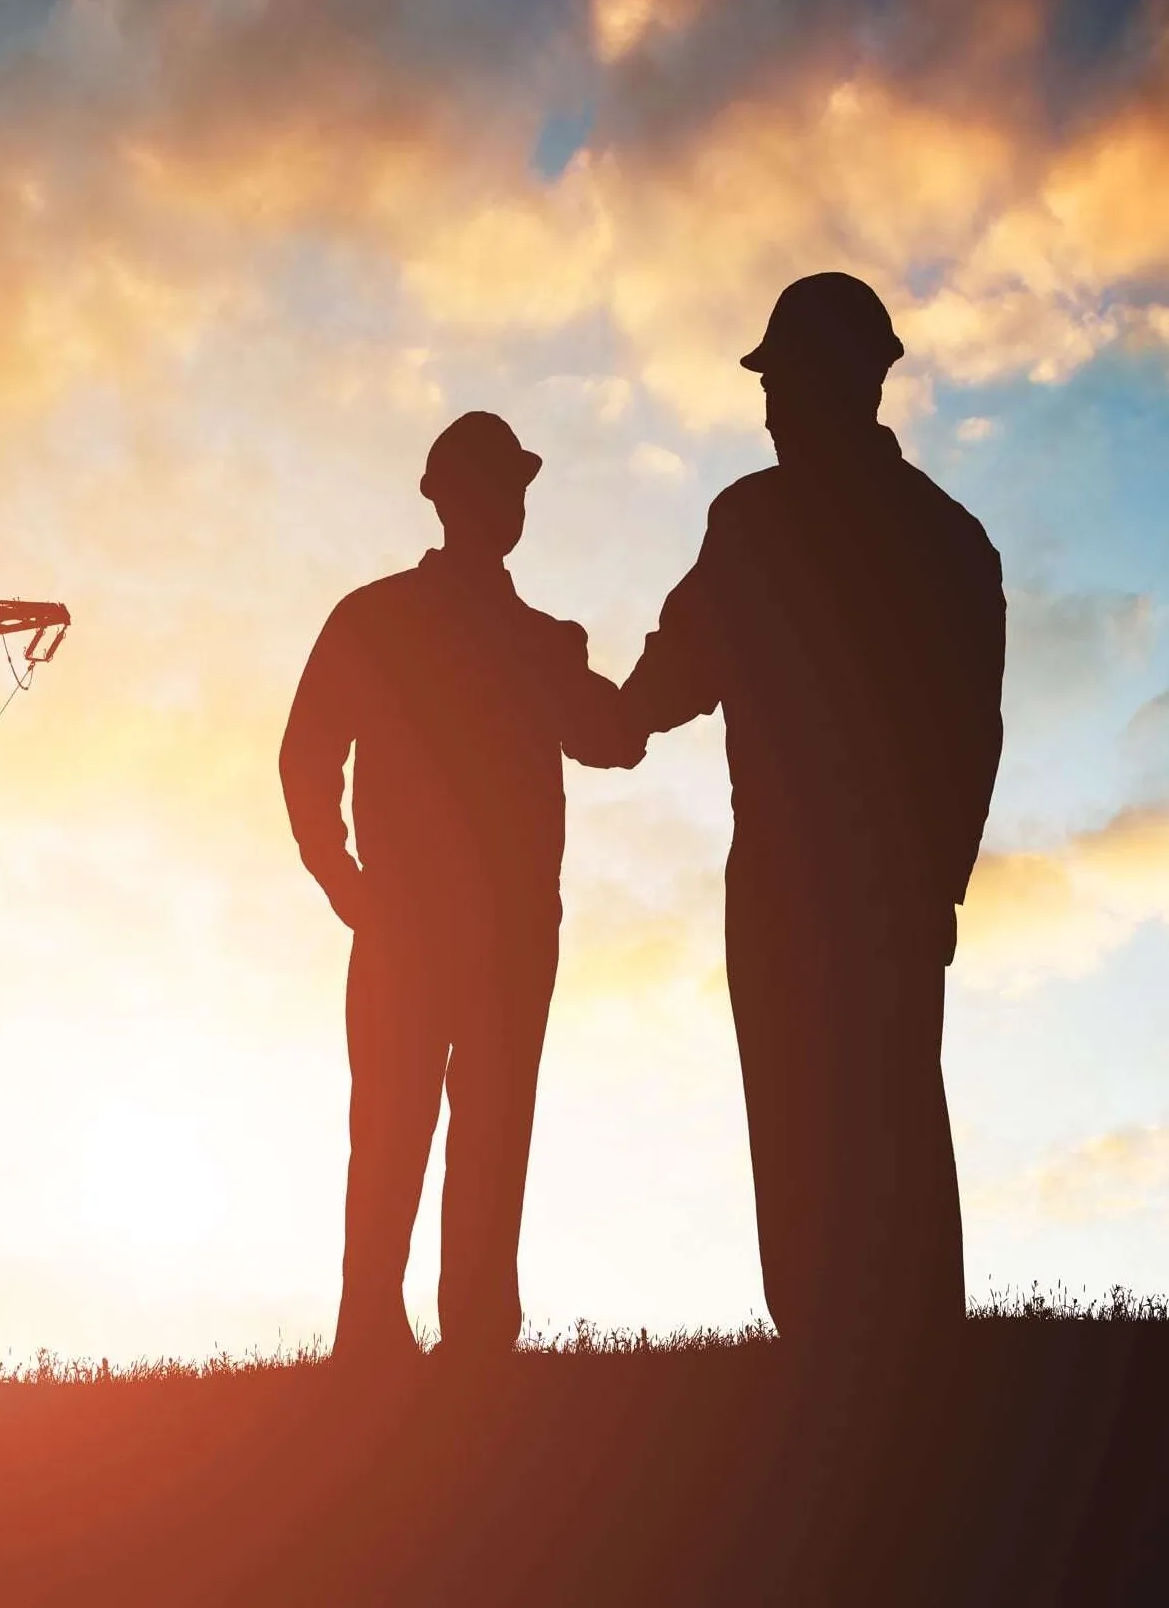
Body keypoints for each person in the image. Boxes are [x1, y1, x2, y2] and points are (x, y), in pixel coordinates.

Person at [616, 273, 1006, 1354]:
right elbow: (974, 735)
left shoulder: (759, 520)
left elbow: (682, 664)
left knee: (808, 1110)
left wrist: (607, 719)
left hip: (803, 879)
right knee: (884, 1108)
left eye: (784, 384)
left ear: (845, 385)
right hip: (886, 883)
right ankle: (903, 1361)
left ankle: (847, 1355)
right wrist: (939, 885)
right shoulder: (952, 539)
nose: (773, 409)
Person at [280, 411, 627, 1368]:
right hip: (444, 927)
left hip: (453, 928)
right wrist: (341, 875)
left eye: (511, 488)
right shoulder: (439, 626)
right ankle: (417, 1333)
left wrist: (343, 877)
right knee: (436, 1122)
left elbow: (610, 737)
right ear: (447, 499)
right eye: (494, 488)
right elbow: (308, 753)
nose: (504, 506)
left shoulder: (446, 626)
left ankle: (429, 1335)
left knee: (443, 1122)